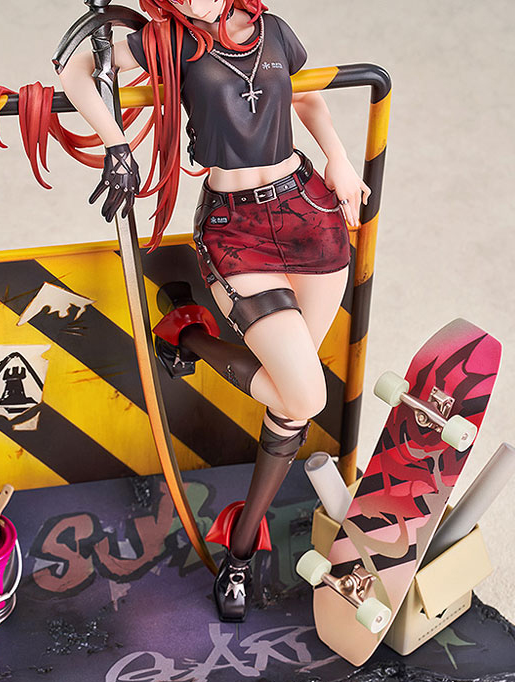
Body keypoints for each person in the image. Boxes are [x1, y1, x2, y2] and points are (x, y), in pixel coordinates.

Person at [54, 0, 371, 622]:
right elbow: (74, 69)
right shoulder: (168, 41)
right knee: (304, 395)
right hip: (237, 229)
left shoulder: (273, 29)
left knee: (290, 400)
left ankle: (239, 543)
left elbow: (306, 94)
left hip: (310, 211)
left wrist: (337, 155)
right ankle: (242, 545)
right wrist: (116, 144)